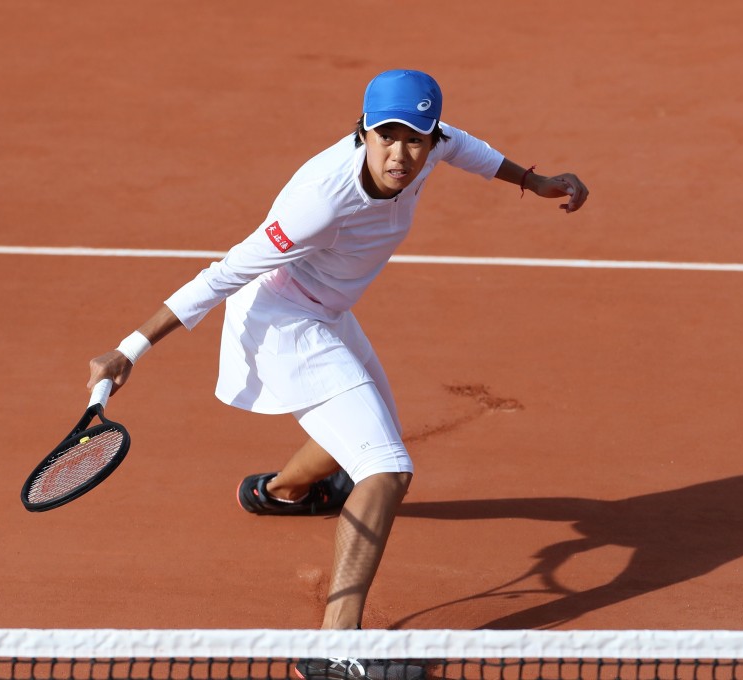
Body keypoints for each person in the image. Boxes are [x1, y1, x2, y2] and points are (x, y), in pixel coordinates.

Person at [87, 69, 588, 680]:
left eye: (416, 139)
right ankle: (335, 650)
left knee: (360, 431)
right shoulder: (320, 202)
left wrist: (532, 181)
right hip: (284, 320)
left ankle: (280, 492)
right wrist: (129, 348)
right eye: (387, 137)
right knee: (385, 467)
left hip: (328, 312)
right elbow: (224, 274)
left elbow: (469, 148)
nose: (401, 154)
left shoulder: (436, 144)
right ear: (363, 130)